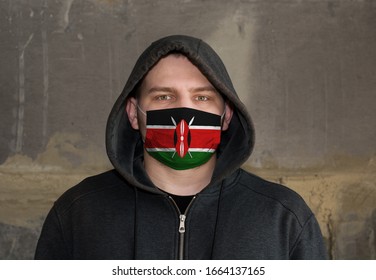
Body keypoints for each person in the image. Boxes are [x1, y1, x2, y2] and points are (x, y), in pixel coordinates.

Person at [35, 35, 327, 259]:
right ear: (133, 114)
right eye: (164, 97)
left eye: (202, 98)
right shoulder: (79, 212)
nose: (184, 112)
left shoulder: (283, 217)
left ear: (226, 116)